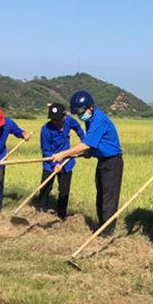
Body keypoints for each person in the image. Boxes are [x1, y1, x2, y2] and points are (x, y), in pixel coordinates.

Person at [50, 91, 123, 236]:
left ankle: (106, 234)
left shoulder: (98, 120)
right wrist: (79, 154)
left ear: (90, 107)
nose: (80, 116)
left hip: (112, 163)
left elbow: (86, 144)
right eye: (77, 114)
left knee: (108, 199)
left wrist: (63, 154)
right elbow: (90, 148)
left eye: (81, 112)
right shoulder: (89, 119)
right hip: (102, 161)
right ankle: (101, 227)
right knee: (101, 196)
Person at [37, 103, 84, 219]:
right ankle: (40, 212)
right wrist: (55, 164)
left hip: (67, 161)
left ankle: (61, 215)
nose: (56, 122)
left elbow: (78, 128)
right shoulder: (45, 130)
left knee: (64, 190)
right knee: (45, 188)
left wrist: (85, 143)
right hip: (50, 162)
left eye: (58, 119)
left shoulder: (69, 121)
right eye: (53, 119)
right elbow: (46, 150)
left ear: (64, 116)